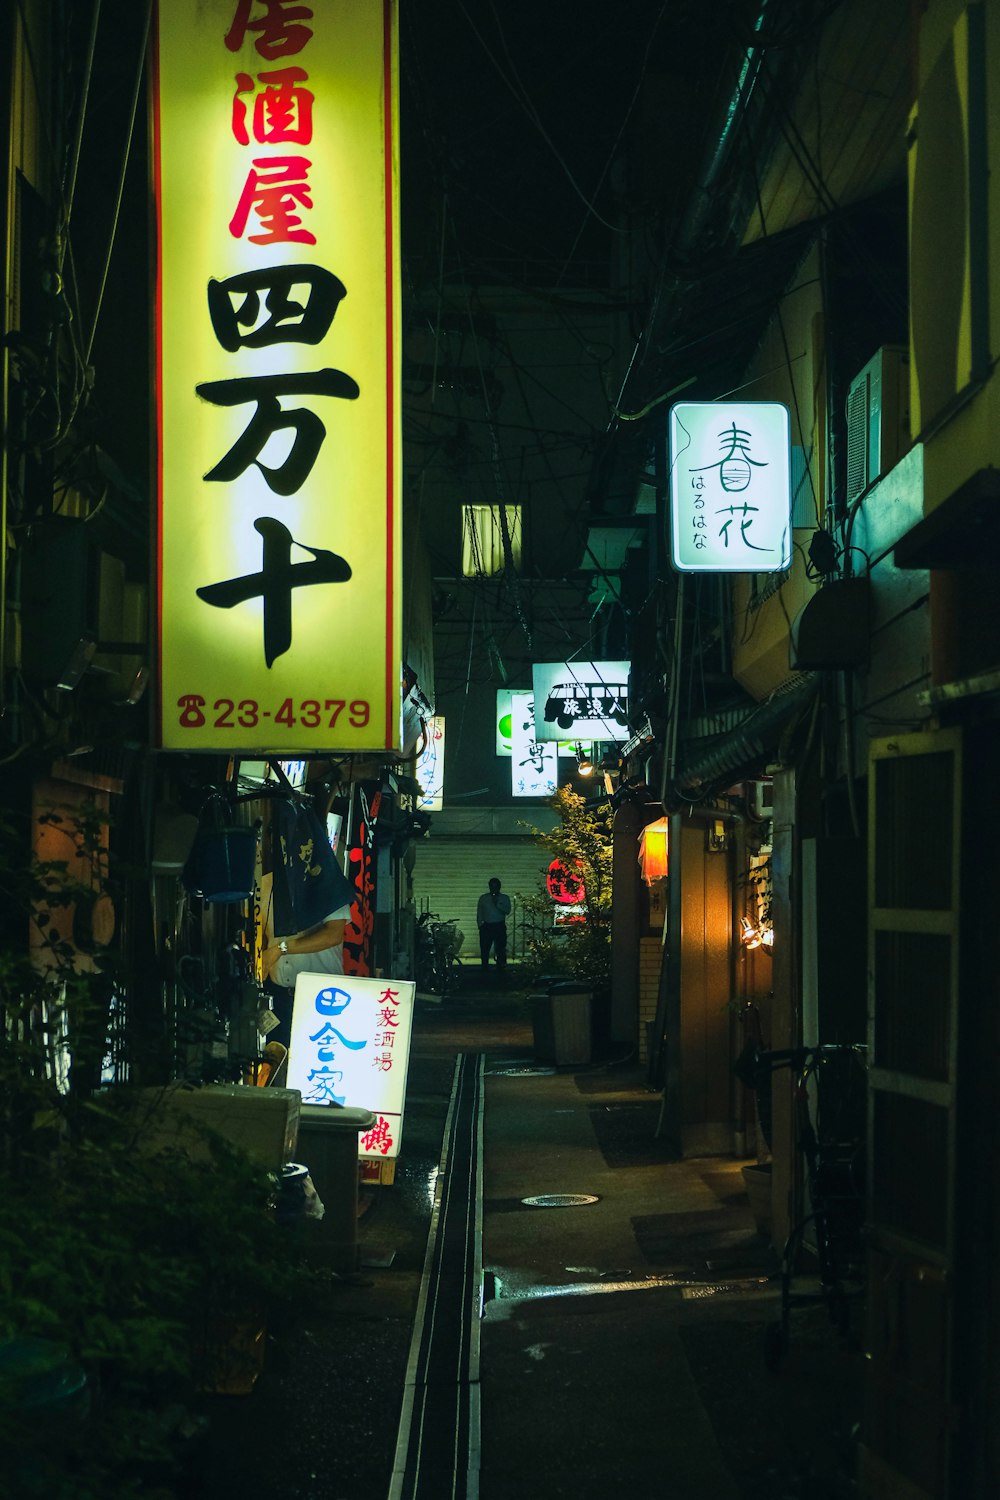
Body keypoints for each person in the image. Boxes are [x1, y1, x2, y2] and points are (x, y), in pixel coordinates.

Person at [262, 904, 351, 1045]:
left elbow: (333, 935)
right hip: (278, 995)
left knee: (317, 1057)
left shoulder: (327, 883)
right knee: (277, 1058)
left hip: (321, 998)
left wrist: (281, 949)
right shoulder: (265, 884)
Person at [476, 877, 511, 971]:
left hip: (499, 925)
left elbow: (507, 910)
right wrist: (480, 925)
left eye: (496, 886)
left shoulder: (504, 898)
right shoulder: (484, 898)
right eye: (492, 886)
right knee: (485, 948)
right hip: (487, 926)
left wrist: (497, 904)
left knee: (500, 948)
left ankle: (501, 966)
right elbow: (479, 912)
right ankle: (484, 966)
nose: (494, 888)